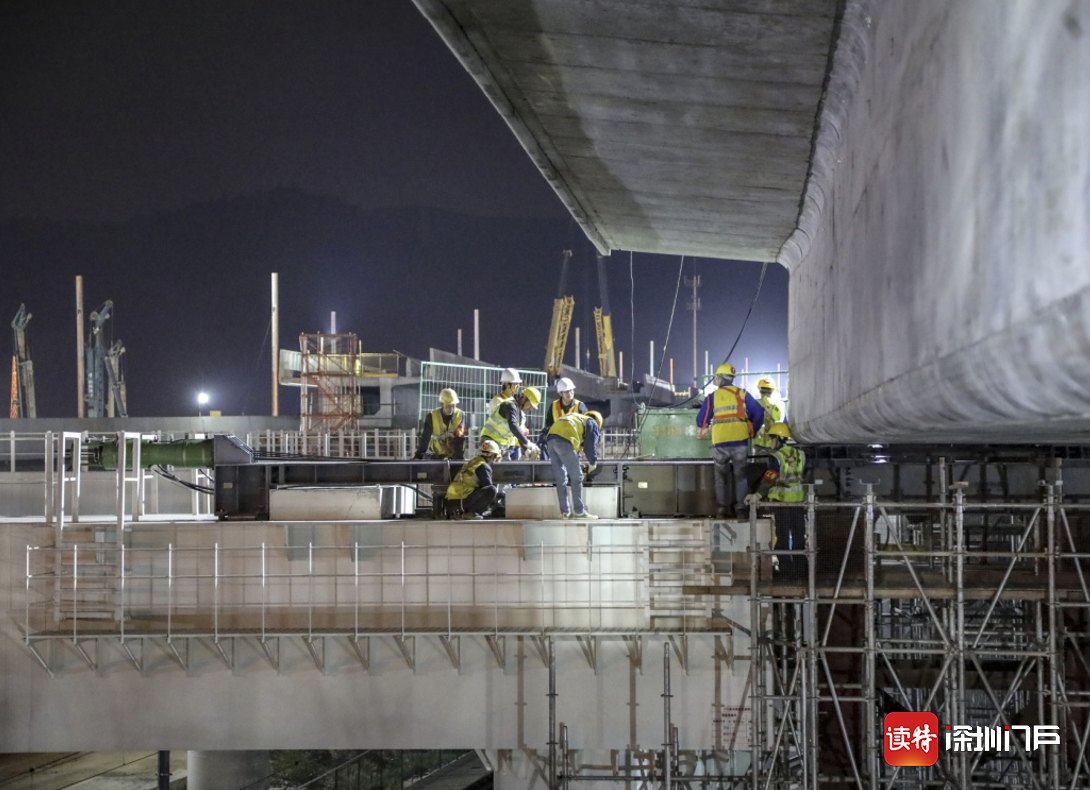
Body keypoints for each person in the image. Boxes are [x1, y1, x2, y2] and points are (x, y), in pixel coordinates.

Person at [696, 362, 764, 519]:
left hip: (720, 443)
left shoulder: (713, 397)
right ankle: (741, 509)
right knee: (741, 477)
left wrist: (705, 425)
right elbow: (759, 412)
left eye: (717, 378)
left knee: (721, 477)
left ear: (720, 378)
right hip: (740, 441)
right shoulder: (742, 394)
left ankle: (722, 509)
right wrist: (752, 429)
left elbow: (701, 420)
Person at [745, 422, 807, 576]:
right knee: (799, 536)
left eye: (772, 438)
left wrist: (757, 495)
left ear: (778, 439)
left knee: (783, 537)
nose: (770, 442)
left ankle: (786, 571)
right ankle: (802, 570)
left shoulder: (776, 457)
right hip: (798, 501)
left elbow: (770, 478)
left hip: (782, 502)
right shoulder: (799, 454)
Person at [546, 410, 602, 519]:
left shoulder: (576, 418)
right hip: (564, 440)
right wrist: (592, 462)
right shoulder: (592, 423)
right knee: (577, 477)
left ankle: (565, 512)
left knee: (561, 478)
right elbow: (590, 446)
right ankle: (579, 511)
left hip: (550, 439)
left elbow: (576, 442)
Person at [480, 386, 541, 460]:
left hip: (502, 446)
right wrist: (528, 443)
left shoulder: (520, 415)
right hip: (490, 440)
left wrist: (526, 449)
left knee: (504, 466)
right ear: (524, 398)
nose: (530, 408)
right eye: (530, 404)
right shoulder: (509, 405)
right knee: (489, 466)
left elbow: (517, 433)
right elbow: (513, 426)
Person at [446, 439, 502, 519]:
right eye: (495, 458)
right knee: (492, 490)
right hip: (463, 501)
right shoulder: (483, 466)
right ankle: (471, 513)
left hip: (452, 501)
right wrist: (499, 504)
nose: (494, 461)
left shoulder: (472, 462)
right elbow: (488, 487)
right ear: (492, 456)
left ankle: (459, 513)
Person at [538, 377, 587, 458]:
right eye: (566, 391)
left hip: (574, 446)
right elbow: (549, 424)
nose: (570, 393)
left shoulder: (580, 406)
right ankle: (544, 465)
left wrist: (583, 445)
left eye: (571, 390)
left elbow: (587, 428)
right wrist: (544, 435)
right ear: (560, 393)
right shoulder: (554, 405)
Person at [413, 388, 466, 460]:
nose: (451, 409)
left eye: (453, 405)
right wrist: (418, 456)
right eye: (448, 406)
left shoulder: (460, 415)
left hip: (454, 454)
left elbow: (459, 438)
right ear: (442, 404)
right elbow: (425, 438)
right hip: (437, 455)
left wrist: (458, 458)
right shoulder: (432, 416)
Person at [752, 378, 785, 451]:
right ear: (772, 390)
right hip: (774, 443)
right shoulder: (780, 404)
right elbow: (784, 423)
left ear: (759, 390)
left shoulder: (755, 404)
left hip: (758, 443)